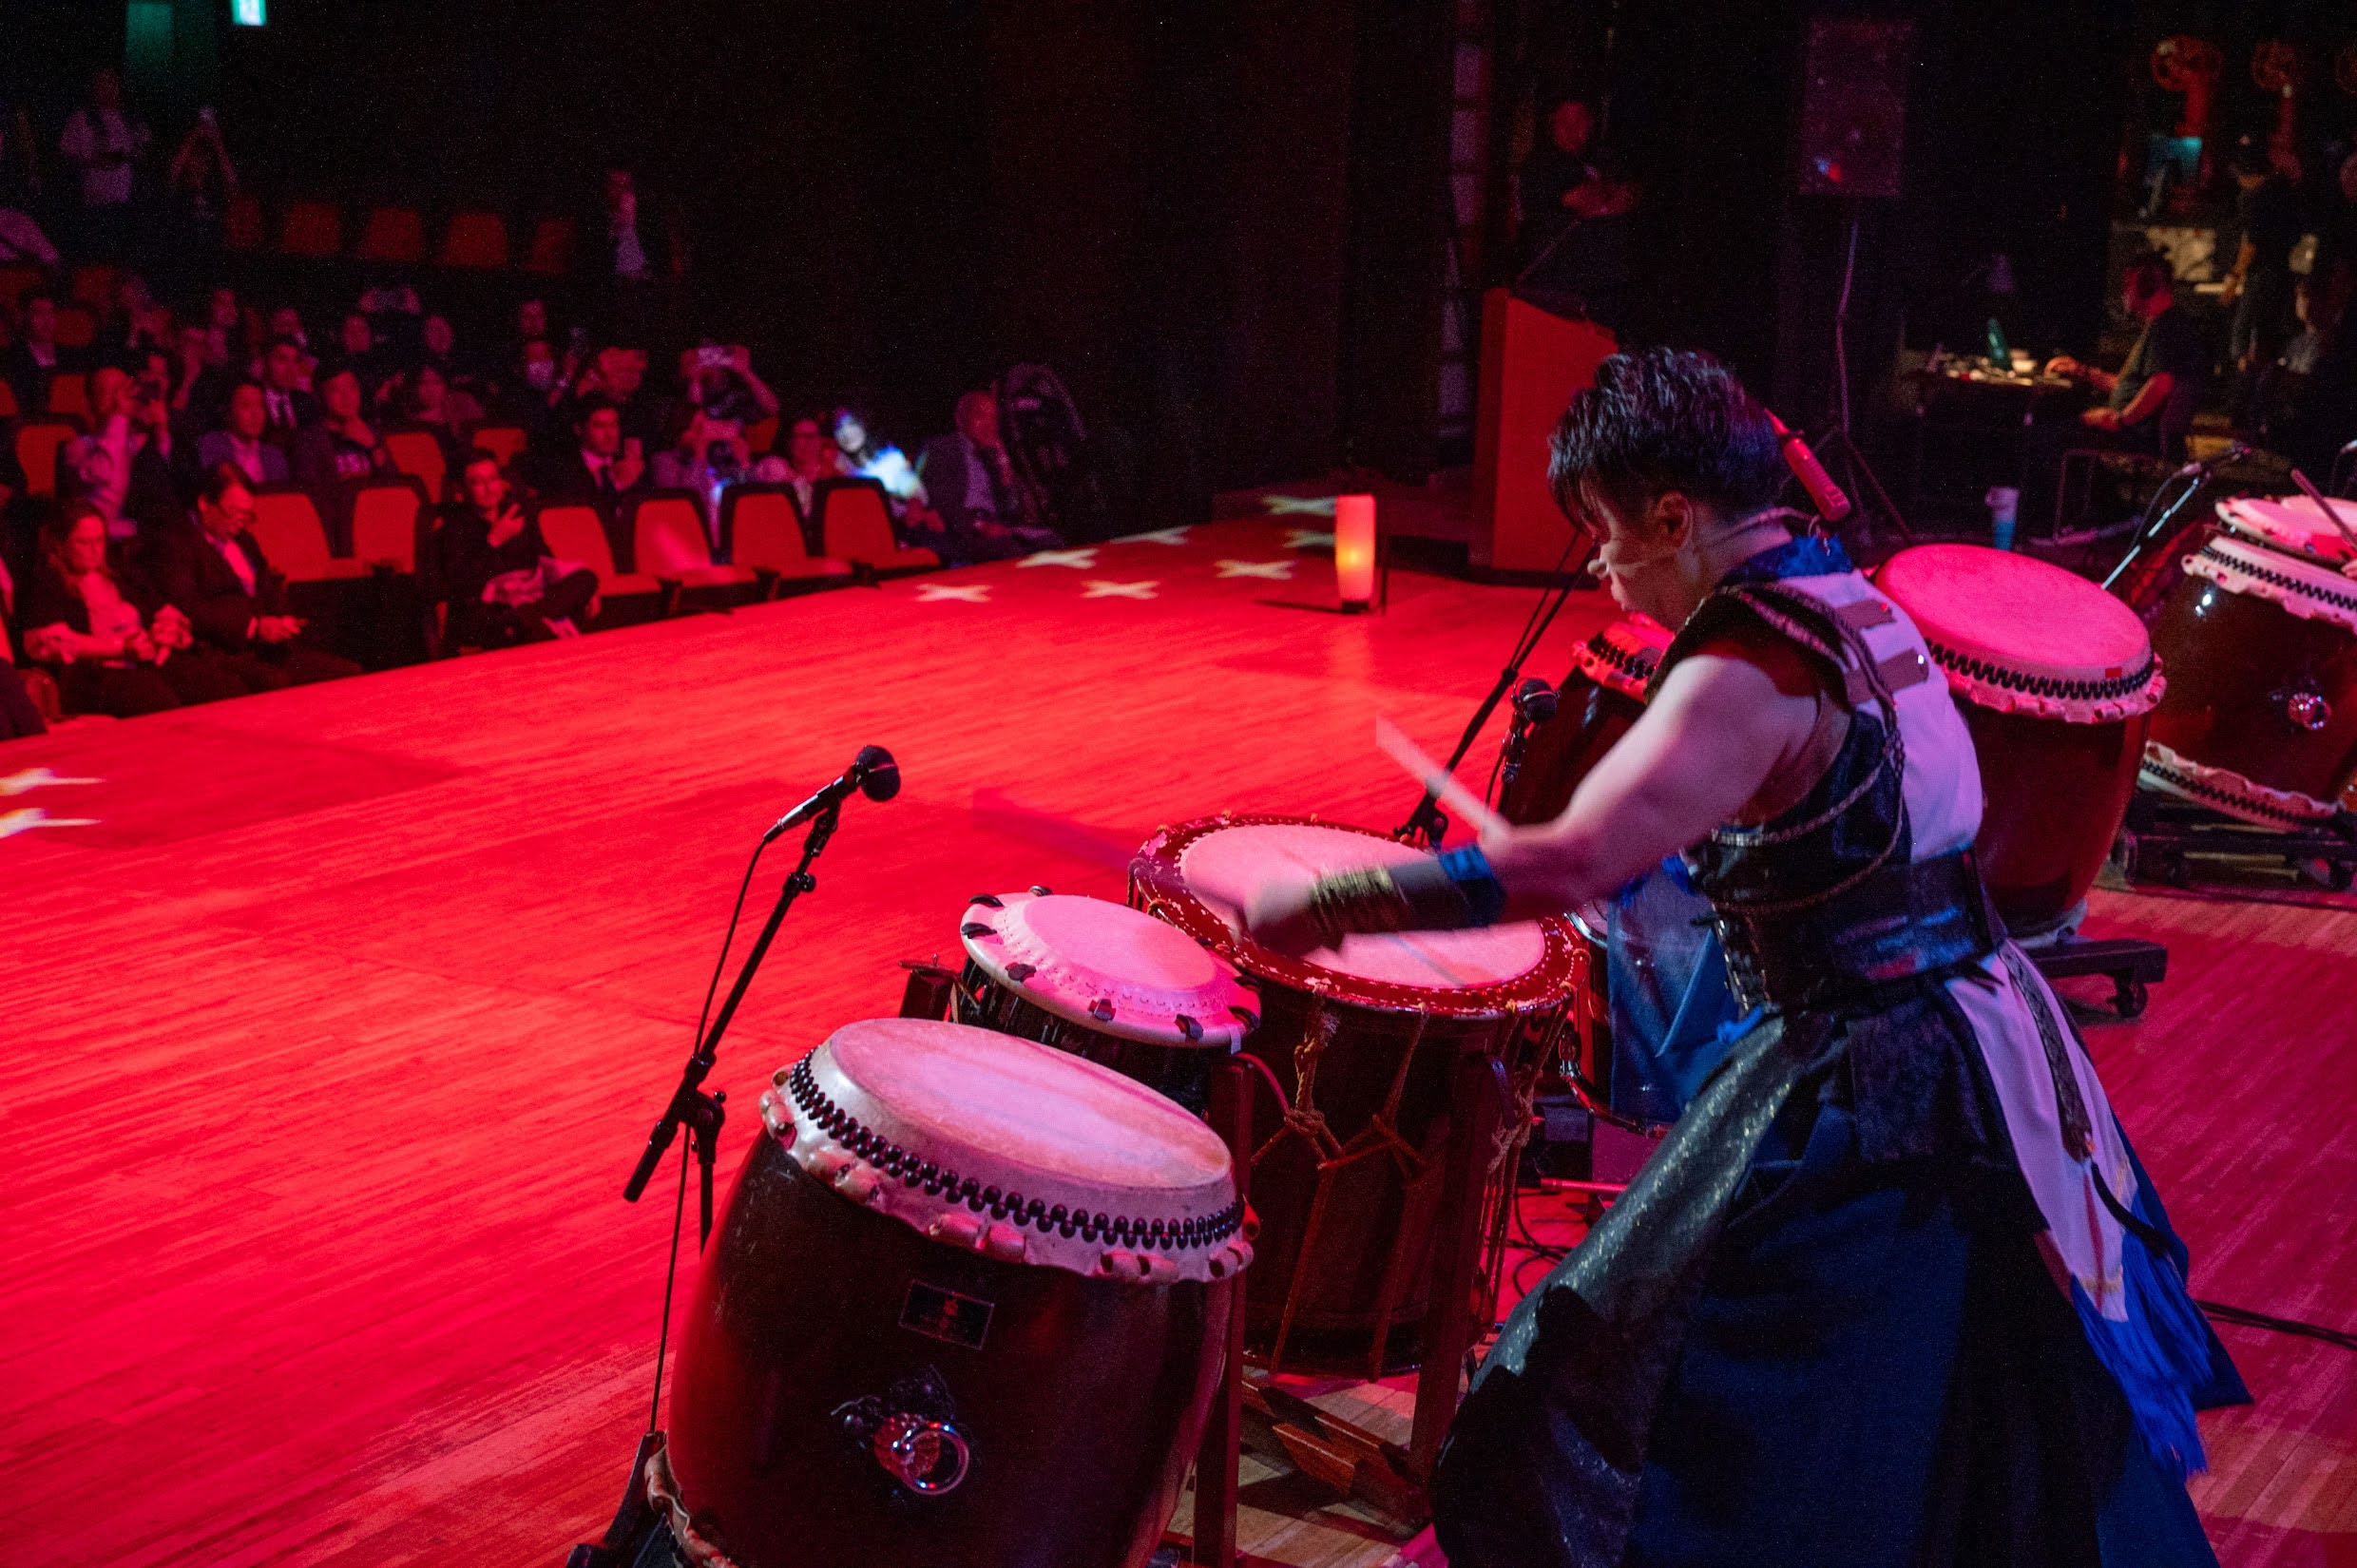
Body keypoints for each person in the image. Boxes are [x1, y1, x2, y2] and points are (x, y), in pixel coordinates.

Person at [1248, 348, 2238, 1568]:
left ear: (1674, 516)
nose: (1603, 570)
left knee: (1642, 1398)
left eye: (1606, 533)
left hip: (1868, 1085)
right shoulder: (1854, 601)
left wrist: (1336, 902)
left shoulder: (1741, 667)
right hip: (1975, 1051)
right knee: (1951, 1432)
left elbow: (1570, 861)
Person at [19, 503, 250, 714]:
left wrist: (163, 631)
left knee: (222, 687)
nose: (95, 549)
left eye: (99, 540)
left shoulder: (121, 572)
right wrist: (120, 648)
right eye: (84, 542)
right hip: (95, 674)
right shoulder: (48, 581)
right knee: (153, 697)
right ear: (60, 545)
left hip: (147, 661)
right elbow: (51, 641)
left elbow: (164, 611)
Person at [148, 464, 357, 687]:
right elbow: (188, 608)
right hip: (221, 653)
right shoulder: (176, 543)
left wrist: (282, 620)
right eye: (234, 512)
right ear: (205, 503)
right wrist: (253, 627)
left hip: (266, 649)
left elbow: (267, 586)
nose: (240, 520)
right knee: (275, 682)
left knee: (346, 672)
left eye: (247, 514)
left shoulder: (244, 541)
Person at [439, 449, 599, 646]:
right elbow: (462, 585)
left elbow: (544, 560)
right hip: (491, 606)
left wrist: (580, 586)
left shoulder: (518, 513)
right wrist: (494, 540)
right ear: (462, 489)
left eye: (493, 479)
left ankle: (529, 619)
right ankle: (532, 622)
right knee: (492, 619)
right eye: (478, 482)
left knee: (586, 578)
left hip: (529, 599)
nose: (490, 488)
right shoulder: (453, 528)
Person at [1517, 94, 1640, 329]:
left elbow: (1631, 194)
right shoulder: (1540, 165)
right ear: (1552, 123)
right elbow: (1581, 198)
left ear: (1591, 123)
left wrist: (1607, 197)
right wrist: (1607, 197)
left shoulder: (1602, 156)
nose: (1572, 130)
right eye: (1564, 121)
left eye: (1580, 121)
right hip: (1557, 282)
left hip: (1605, 281)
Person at [917, 390, 1059, 564]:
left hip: (996, 527)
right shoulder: (943, 448)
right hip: (962, 530)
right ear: (961, 420)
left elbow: (1010, 509)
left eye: (992, 419)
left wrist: (1003, 468)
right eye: (980, 416)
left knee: (1051, 542)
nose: (988, 425)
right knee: (1009, 551)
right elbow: (945, 504)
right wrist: (980, 525)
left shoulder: (992, 455)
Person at [61, 361, 182, 547]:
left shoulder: (138, 443)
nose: (117, 398)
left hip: (144, 538)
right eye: (107, 391)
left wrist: (161, 430)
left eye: (122, 389)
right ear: (90, 403)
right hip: (101, 541)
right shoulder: (77, 447)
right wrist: (119, 416)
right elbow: (102, 471)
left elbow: (163, 484)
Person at [2218, 137, 2304, 390]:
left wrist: (2234, 278)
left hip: (2262, 274)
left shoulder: (2259, 198)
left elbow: (2251, 243)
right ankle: (2261, 388)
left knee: (2244, 332)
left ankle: (2243, 388)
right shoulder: (2284, 192)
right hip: (2281, 271)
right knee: (2267, 331)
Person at [291, 362, 396, 553]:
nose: (347, 397)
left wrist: (372, 445)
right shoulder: (309, 440)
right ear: (319, 396)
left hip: (378, 522)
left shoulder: (370, 432)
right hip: (337, 531)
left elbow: (394, 485)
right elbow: (313, 499)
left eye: (352, 387)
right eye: (335, 390)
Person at [57, 67, 149, 260]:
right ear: (93, 87)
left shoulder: (131, 118)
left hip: (128, 204)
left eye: (112, 82)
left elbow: (147, 154)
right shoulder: (81, 118)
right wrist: (94, 161)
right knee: (98, 260)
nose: (108, 87)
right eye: (102, 82)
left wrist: (133, 156)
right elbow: (66, 158)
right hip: (95, 204)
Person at [162, 106, 236, 292]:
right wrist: (194, 135)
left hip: (211, 252)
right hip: (185, 251)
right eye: (195, 159)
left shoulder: (214, 188)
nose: (200, 164)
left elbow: (232, 181)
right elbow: (173, 171)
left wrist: (217, 142)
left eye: (204, 160)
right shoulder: (181, 188)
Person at [537, 393, 646, 507]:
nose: (609, 434)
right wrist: (618, 485)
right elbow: (582, 512)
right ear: (579, 429)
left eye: (613, 425)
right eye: (599, 426)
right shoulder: (563, 470)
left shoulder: (627, 463)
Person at [832, 405, 929, 514]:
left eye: (851, 423)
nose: (846, 432)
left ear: (863, 424)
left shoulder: (889, 458)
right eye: (838, 427)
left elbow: (917, 497)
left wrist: (913, 506)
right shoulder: (835, 465)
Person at [197, 380, 292, 488]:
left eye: (260, 405)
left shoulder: (274, 456)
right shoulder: (212, 445)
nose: (255, 414)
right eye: (246, 406)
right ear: (228, 411)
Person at [4, 294, 82, 416]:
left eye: (50, 313)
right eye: (38, 314)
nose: (46, 321)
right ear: (24, 317)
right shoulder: (13, 359)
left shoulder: (71, 357)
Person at [780, 414, 846, 518]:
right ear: (790, 441)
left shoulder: (837, 465)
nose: (809, 442)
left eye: (814, 436)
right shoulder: (777, 468)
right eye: (803, 436)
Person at [259, 334, 319, 444]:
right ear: (265, 362)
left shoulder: (306, 402)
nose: (290, 370)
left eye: (295, 361)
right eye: (282, 360)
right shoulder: (255, 400)